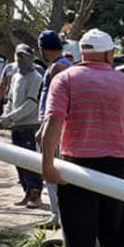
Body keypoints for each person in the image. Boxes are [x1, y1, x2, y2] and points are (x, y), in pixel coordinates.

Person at [41, 29, 124, 247]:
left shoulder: (65, 79)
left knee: (80, 244)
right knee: (117, 243)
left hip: (77, 170)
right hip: (117, 169)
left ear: (82, 53)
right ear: (109, 54)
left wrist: (48, 165)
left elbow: (53, 120)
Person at [0, 44, 44, 208]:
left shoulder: (36, 78)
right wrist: (6, 115)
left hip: (30, 125)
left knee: (30, 162)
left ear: (31, 58)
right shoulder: (16, 77)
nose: (20, 59)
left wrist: (10, 118)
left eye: (24, 56)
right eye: (18, 56)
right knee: (19, 161)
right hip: (17, 125)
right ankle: (26, 191)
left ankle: (35, 194)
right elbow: (10, 99)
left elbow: (31, 103)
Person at [36, 30, 73, 229]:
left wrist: (44, 128)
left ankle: (57, 215)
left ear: (43, 49)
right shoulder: (64, 65)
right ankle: (59, 214)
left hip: (52, 126)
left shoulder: (58, 67)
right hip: (53, 125)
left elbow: (56, 102)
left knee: (51, 169)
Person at [0, 51, 44, 117]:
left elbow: (44, 90)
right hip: (14, 103)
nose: (21, 59)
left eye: (23, 57)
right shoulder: (9, 68)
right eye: (18, 56)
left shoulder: (38, 70)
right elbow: (2, 86)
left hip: (33, 108)